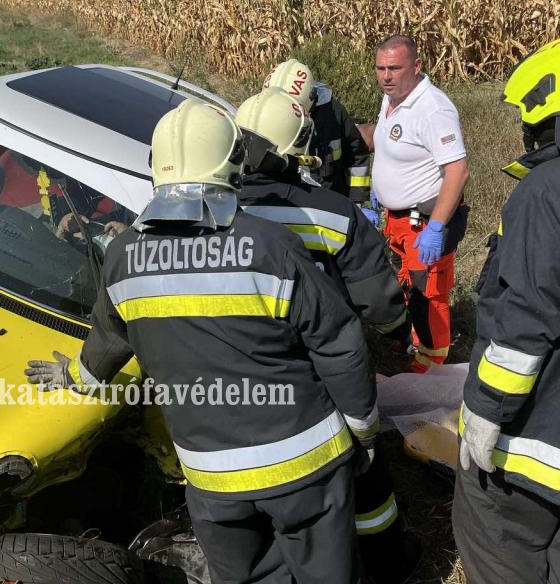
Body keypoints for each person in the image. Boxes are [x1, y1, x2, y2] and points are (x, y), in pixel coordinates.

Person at [26, 100, 377, 584]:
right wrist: (363, 429)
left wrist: (72, 376)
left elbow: (108, 343)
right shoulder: (270, 245)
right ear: (233, 165)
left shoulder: (123, 257)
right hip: (307, 466)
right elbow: (339, 342)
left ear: (157, 167)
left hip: (212, 480)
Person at [235, 88, 421, 584]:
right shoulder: (333, 214)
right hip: (328, 364)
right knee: (365, 468)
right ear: (301, 150)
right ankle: (386, 562)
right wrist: (399, 333)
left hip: (243, 367)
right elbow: (378, 300)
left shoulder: (220, 211)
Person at [453, 34, 560, 584]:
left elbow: (522, 326)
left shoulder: (549, 191)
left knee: (494, 545)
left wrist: (485, 411)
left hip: (533, 450)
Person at [371, 35, 469, 372]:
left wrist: (437, 227)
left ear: (416, 66)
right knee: (409, 285)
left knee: (429, 295)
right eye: (380, 68)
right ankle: (415, 342)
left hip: (423, 221)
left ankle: (431, 365)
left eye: (394, 68)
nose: (386, 76)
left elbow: (458, 171)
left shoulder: (433, 109)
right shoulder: (392, 98)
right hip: (397, 220)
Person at [263, 58, 372, 205]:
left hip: (334, 202)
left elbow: (356, 152)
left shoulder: (333, 113)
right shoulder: (266, 118)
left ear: (310, 97)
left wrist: (357, 199)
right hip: (291, 204)